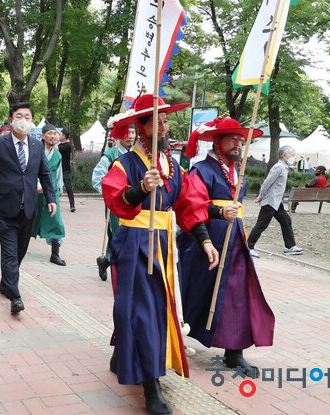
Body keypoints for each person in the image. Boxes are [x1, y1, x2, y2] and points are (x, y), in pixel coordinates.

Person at [102, 94, 219, 415]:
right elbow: (114, 198)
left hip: (166, 245)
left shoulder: (172, 166)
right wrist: (140, 187)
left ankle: (122, 352)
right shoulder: (124, 164)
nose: (166, 126)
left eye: (167, 120)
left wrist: (205, 240)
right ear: (142, 127)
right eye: (159, 120)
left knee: (147, 307)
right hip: (135, 243)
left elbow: (188, 205)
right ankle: (151, 385)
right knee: (143, 310)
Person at [177, 116, 275, 379]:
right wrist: (220, 211)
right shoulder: (201, 170)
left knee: (238, 295)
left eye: (240, 139)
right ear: (217, 142)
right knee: (202, 293)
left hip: (236, 242)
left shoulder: (237, 171)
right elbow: (191, 206)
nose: (237, 143)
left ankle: (234, 349)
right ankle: (174, 335)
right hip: (208, 241)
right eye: (232, 138)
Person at [0, 102, 56, 314]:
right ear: (11, 120)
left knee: (20, 251)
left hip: (28, 209)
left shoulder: (37, 145)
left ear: (32, 122)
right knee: (9, 253)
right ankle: (16, 296)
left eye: (28, 117)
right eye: (19, 116)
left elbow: (45, 174)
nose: (24, 120)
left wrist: (51, 198)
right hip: (4, 209)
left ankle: (6, 283)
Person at [91, 124, 136, 281]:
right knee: (118, 233)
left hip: (134, 204)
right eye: (127, 133)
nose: (130, 136)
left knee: (128, 235)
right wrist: (110, 195)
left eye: (133, 132)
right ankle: (119, 267)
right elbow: (97, 178)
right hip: (117, 204)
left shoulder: (136, 155)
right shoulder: (111, 155)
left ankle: (108, 261)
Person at [247, 145, 304, 257]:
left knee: (286, 220)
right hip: (270, 201)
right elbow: (267, 183)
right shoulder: (278, 167)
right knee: (262, 224)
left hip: (277, 202)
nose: (293, 158)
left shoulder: (284, 167)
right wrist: (260, 196)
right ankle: (248, 247)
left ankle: (289, 246)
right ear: (284, 155)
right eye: (292, 155)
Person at [32, 124, 67, 266]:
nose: (53, 136)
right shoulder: (36, 151)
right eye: (50, 133)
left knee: (56, 220)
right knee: (28, 218)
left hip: (52, 192)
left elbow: (58, 173)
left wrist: (60, 187)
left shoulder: (58, 155)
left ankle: (55, 254)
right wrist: (37, 185)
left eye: (55, 134)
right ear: (43, 136)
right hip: (35, 190)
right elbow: (30, 170)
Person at [58, 128, 76, 212]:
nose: (58, 136)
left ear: (64, 136)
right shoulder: (60, 144)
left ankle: (72, 205)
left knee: (68, 188)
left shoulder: (67, 146)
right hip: (57, 170)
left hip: (65, 170)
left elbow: (56, 148)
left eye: (60, 135)